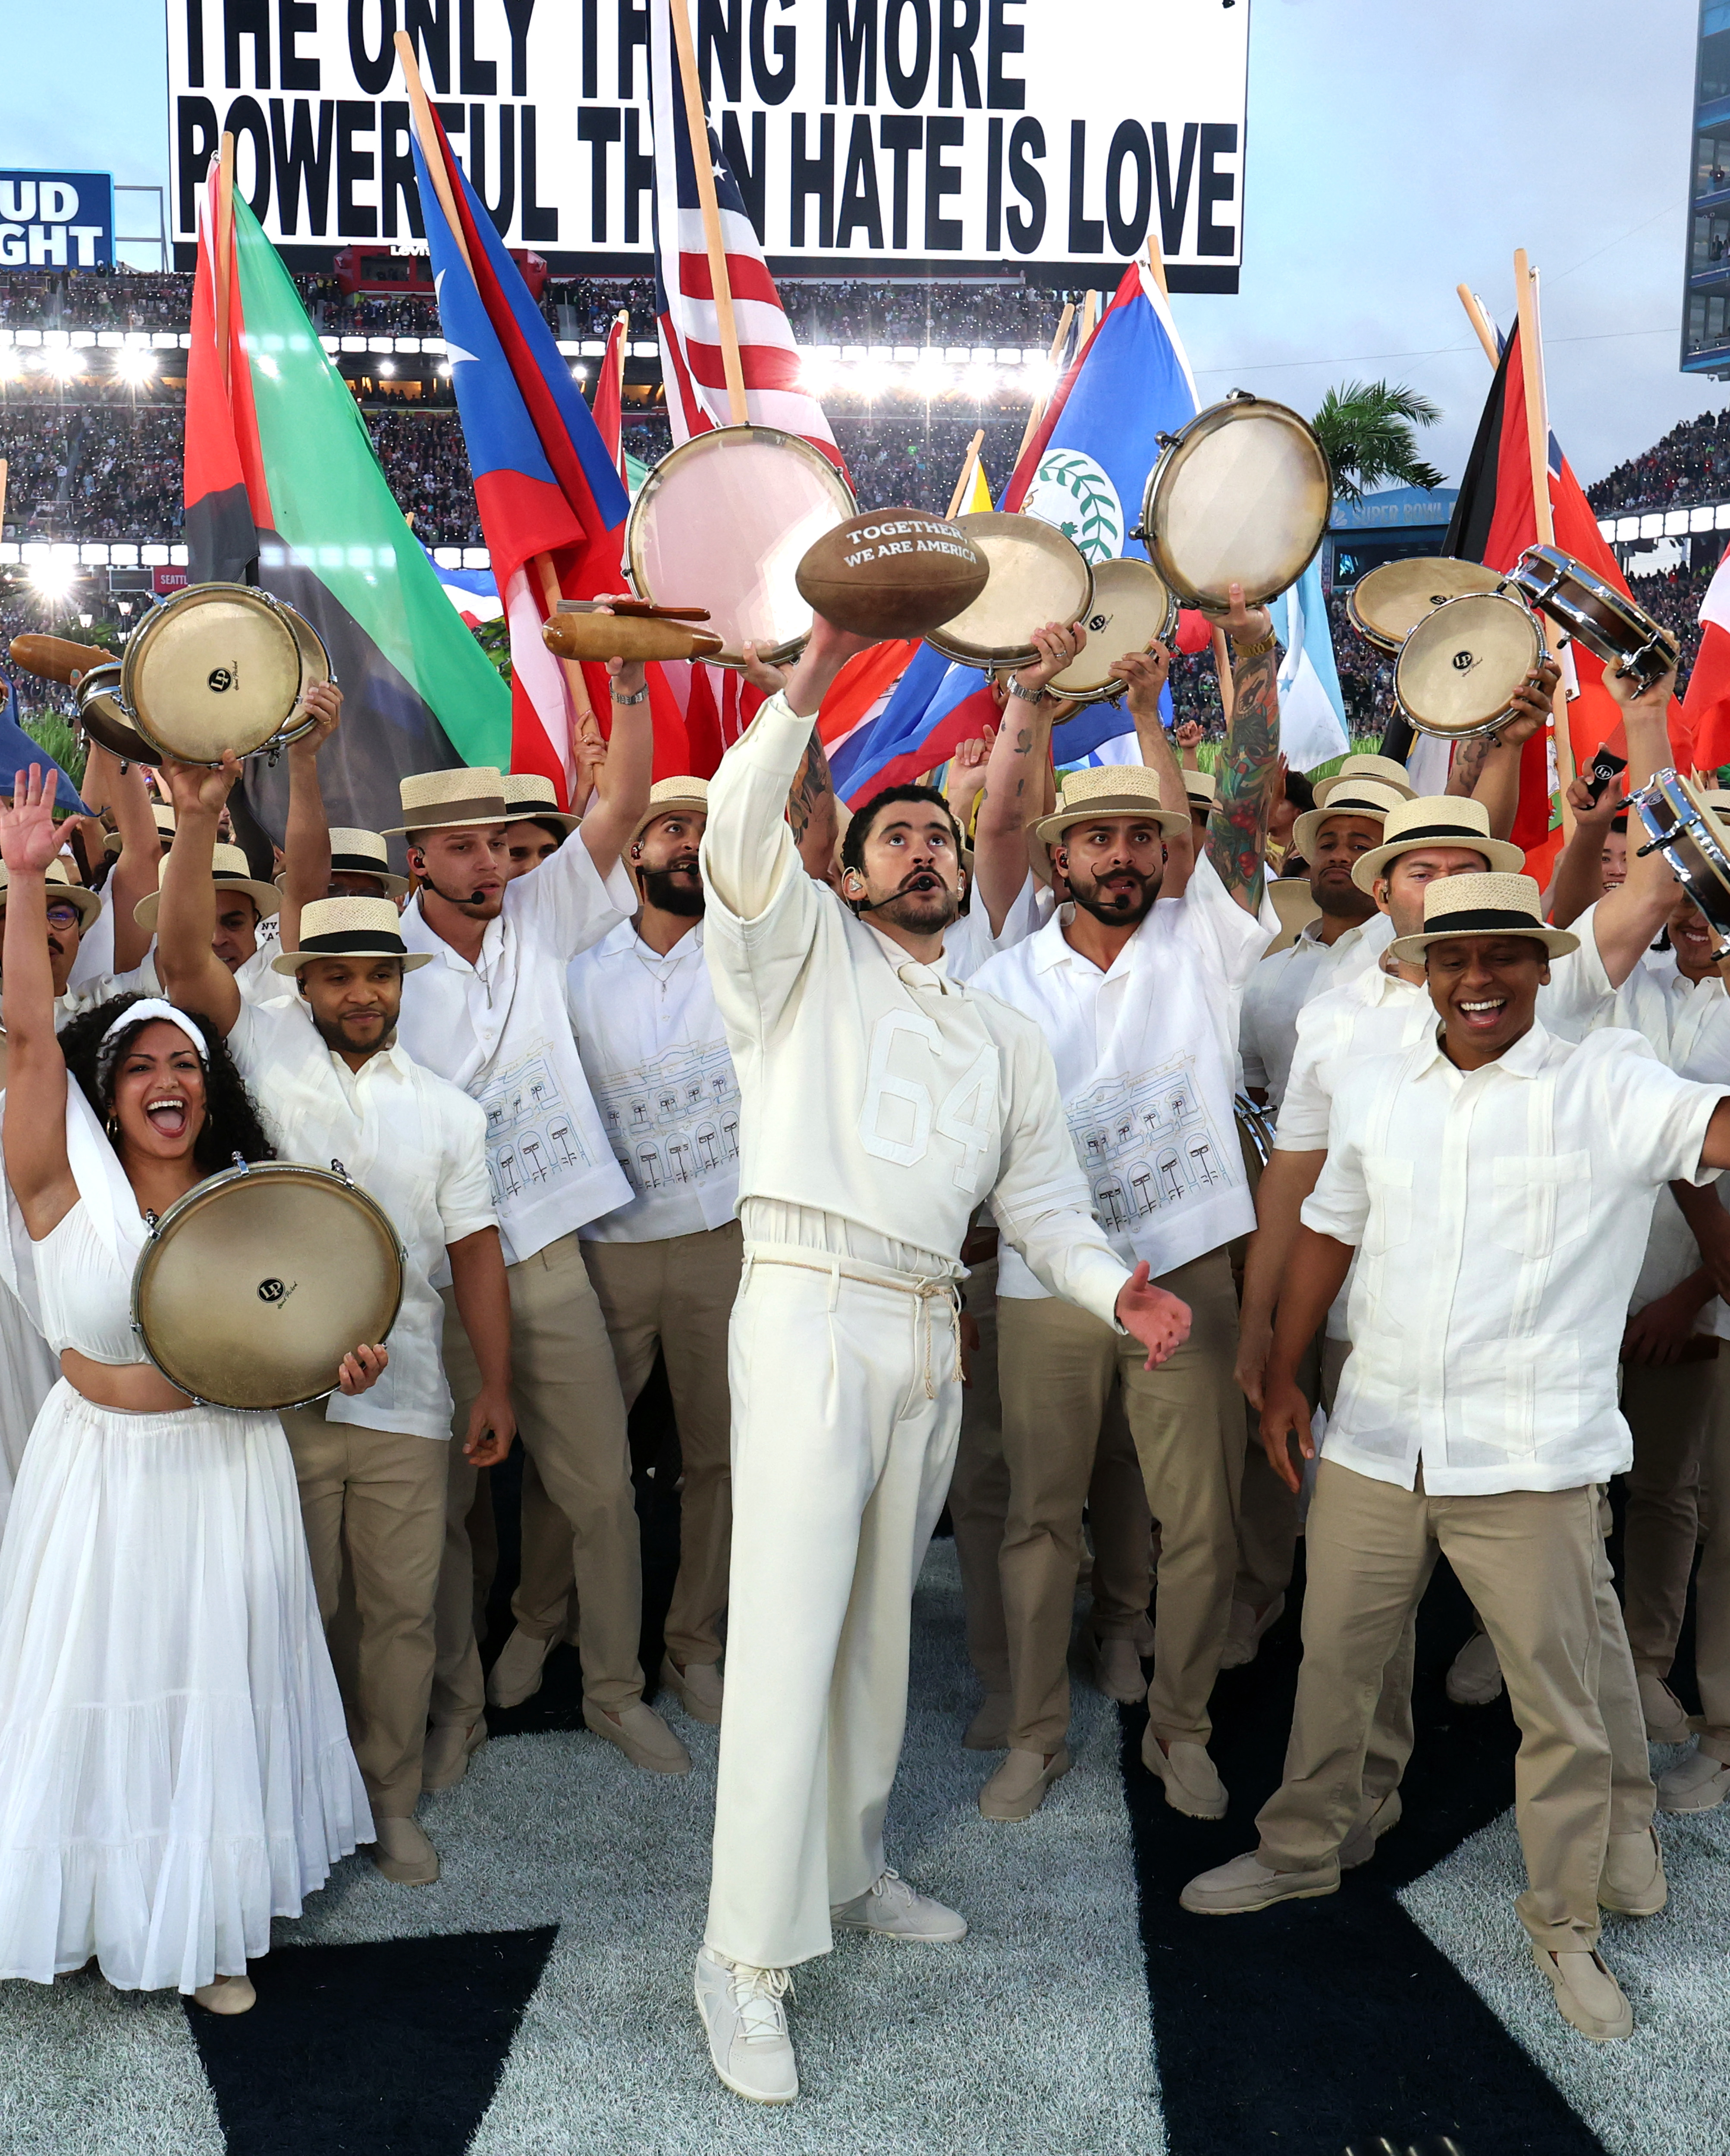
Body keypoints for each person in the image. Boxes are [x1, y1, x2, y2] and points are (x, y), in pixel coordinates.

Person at [694, 609, 1191, 2106]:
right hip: (802, 1309)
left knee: (875, 1639)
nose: (920, 851)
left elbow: (1046, 1211)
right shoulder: (789, 970)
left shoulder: (1002, 1038)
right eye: (891, 836)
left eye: (937, 834)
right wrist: (815, 665)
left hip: (926, 1330)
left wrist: (1122, 1300)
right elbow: (733, 837)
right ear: (844, 873)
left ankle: (845, 1877)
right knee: (787, 1638)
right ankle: (740, 1960)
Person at [1181, 869, 1730, 2048]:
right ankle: (1303, 1850)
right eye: (1450, 957)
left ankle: (1563, 1923)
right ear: (1418, 971)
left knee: (1560, 1713)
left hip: (1529, 1462)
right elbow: (1329, 1230)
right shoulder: (1380, 1086)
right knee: (1334, 1662)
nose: (1474, 978)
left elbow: (1719, 1136)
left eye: (1500, 957)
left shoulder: (1611, 1084)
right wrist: (1281, 1375)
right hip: (1377, 1441)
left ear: (1543, 967)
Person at [0, 763, 382, 2013]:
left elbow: (309, 1330)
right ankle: (106, 1910)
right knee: (107, 1685)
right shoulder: (60, 1190)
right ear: (107, 1100)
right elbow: (22, 1047)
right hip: (99, 1471)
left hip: (224, 1470)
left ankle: (207, 1921)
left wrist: (345, 1359)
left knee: (211, 1681)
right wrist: (20, 887)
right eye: (142, 1066)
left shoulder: (244, 1206)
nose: (170, 1077)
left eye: (189, 1064)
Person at [155, 753, 516, 1888]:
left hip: (408, 1399)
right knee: (292, 1615)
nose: (362, 992)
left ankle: (390, 1800)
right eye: (338, 976)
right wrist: (206, 809)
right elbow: (176, 962)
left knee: (400, 1619)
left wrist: (495, 1387)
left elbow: (475, 1256)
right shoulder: (260, 1057)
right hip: (274, 1401)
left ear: (402, 985)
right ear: (301, 983)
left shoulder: (451, 1115)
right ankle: (284, 1814)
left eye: (379, 976)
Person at [967, 589, 1280, 1827]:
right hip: (1048, 1287)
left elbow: (1245, 802)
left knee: (1195, 1524)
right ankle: (1033, 1736)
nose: (1120, 857)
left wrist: (1198, 696)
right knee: (1042, 1520)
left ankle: (1182, 1727)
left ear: (1162, 854)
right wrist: (1033, 701)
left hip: (1189, 1270)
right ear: (1056, 865)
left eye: (1140, 840)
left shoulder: (1198, 943)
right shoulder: (1000, 978)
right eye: (1093, 842)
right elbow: (998, 809)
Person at [383, 704, 684, 1785]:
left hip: (549, 1256)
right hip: (431, 1275)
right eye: (463, 848)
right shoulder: (384, 964)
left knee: (603, 1489)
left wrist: (633, 678)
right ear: (418, 858)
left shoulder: (543, 916)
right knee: (451, 1510)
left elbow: (625, 805)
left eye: (502, 845)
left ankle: (612, 1691)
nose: (490, 864)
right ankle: (455, 1705)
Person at [537, 772, 743, 1727]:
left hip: (722, 1245)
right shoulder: (572, 969)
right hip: (607, 1250)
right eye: (670, 828)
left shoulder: (749, 957)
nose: (689, 845)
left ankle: (692, 1642)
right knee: (579, 1458)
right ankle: (543, 1617)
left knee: (721, 1459)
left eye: (705, 829)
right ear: (634, 851)